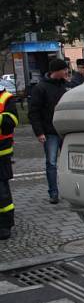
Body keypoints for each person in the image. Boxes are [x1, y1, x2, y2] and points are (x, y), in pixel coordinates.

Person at [28, 58, 69, 204]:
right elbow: (34, 112)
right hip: (50, 132)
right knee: (51, 163)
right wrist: (39, 132)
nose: (66, 72)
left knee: (68, 163)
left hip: (65, 132)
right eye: (64, 69)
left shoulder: (66, 86)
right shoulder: (40, 88)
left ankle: (69, 191)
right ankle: (53, 193)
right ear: (55, 71)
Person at [0, 82, 18, 240]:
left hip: (1, 154)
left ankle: (5, 225)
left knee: (2, 191)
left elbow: (10, 122)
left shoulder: (6, 99)